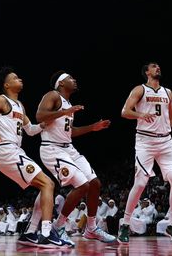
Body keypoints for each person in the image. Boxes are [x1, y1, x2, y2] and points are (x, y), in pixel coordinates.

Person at [0, 66, 68, 247]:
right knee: (47, 184)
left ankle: (30, 233)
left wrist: (46, 123)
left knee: (46, 186)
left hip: (15, 151)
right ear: (7, 84)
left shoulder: (20, 106)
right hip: (6, 150)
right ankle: (46, 233)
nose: (20, 79)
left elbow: (31, 130)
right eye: (16, 78)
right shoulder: (0, 100)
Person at [21, 71, 116, 244]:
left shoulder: (68, 104)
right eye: (70, 78)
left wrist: (92, 127)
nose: (74, 79)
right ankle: (58, 226)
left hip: (68, 148)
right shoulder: (53, 95)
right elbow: (40, 116)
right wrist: (66, 111)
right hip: (52, 148)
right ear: (60, 83)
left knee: (95, 184)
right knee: (82, 185)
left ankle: (92, 228)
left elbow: (70, 132)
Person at [117, 62, 172, 244]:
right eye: (153, 67)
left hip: (166, 141)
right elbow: (124, 111)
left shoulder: (167, 92)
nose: (158, 68)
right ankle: (125, 224)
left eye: (159, 66)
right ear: (146, 72)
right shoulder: (140, 89)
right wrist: (140, 115)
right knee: (141, 183)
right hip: (145, 141)